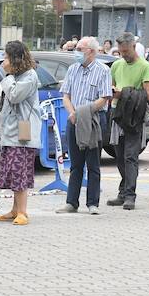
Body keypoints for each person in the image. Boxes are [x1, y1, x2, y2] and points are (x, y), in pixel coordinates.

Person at [58, 37, 113, 214]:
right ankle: (71, 202)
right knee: (75, 164)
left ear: (91, 51)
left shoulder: (103, 70)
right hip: (74, 119)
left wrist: (84, 113)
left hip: (94, 120)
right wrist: (72, 113)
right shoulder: (73, 69)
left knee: (93, 163)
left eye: (80, 49)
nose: (77, 52)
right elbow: (66, 95)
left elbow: (104, 98)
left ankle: (92, 203)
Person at [0, 41, 40, 225]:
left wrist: (8, 75)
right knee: (12, 171)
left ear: (15, 58)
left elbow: (14, 95)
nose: (4, 61)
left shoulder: (29, 77)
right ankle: (14, 210)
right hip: (10, 132)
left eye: (6, 57)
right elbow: (3, 96)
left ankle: (22, 212)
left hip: (23, 132)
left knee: (20, 171)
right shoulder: (16, 76)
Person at [107, 33, 149, 210]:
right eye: (120, 52)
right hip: (117, 114)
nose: (123, 55)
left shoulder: (145, 66)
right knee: (119, 156)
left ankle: (130, 195)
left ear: (134, 47)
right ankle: (123, 191)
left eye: (126, 51)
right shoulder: (116, 65)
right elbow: (111, 86)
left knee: (130, 156)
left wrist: (125, 93)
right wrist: (113, 93)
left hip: (135, 116)